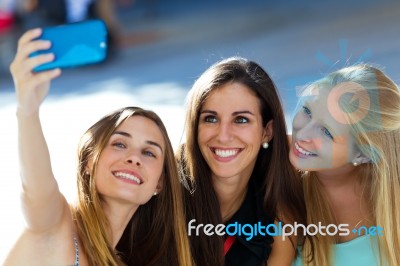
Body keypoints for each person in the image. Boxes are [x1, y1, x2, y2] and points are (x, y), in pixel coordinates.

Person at [4, 28, 193, 266]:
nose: (134, 158)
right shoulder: (57, 227)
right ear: (88, 162)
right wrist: (27, 111)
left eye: (149, 152)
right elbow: (37, 191)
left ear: (160, 182)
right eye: (120, 144)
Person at [177, 57, 307, 265]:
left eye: (241, 120)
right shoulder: (163, 189)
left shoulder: (277, 211)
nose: (224, 135)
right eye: (210, 118)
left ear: (267, 131)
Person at [289, 64, 400, 265]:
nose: (302, 134)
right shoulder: (280, 186)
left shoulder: (392, 202)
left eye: (326, 131)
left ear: (363, 153)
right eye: (307, 111)